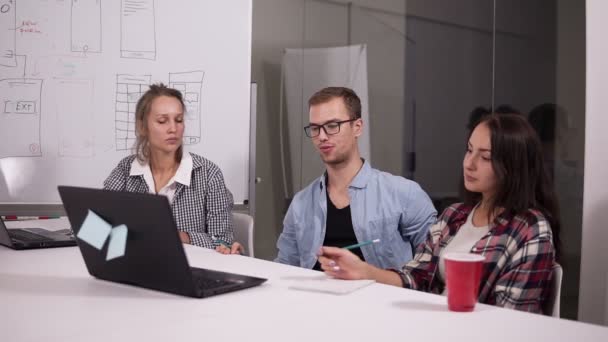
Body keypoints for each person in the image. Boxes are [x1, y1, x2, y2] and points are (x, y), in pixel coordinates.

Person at [319, 113, 560, 314]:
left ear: (514, 167)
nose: (469, 163)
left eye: (485, 157)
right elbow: (415, 277)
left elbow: (513, 321)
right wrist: (363, 270)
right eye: (469, 150)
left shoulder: (530, 230)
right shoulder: (454, 216)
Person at [275, 87, 437, 270]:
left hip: (378, 296)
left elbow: (433, 266)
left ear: (357, 127)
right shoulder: (301, 204)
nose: (321, 136)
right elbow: (283, 268)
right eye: (315, 128)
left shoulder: (404, 194)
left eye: (332, 126)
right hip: (314, 297)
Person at [103, 83, 241, 253]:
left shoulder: (208, 173)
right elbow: (95, 229)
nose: (173, 129)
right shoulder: (125, 170)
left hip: (191, 271)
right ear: (142, 127)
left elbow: (223, 242)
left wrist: (181, 237)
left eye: (179, 120)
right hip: (135, 268)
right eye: (162, 121)